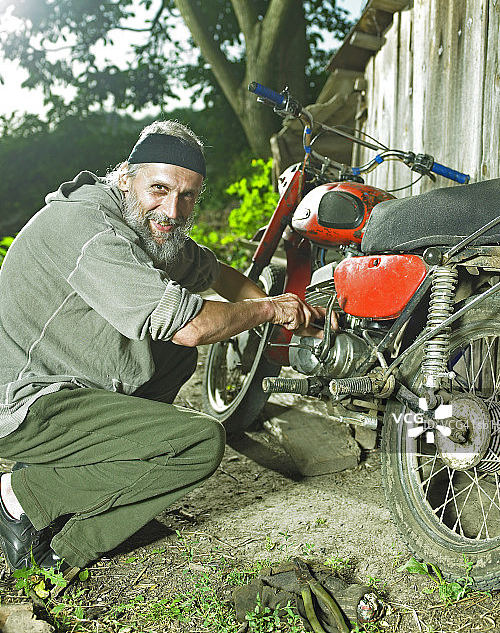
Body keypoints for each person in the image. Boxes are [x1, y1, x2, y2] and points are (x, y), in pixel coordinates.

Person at [0, 120, 325, 580]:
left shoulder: (149, 225)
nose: (173, 208)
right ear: (126, 176)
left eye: (188, 195)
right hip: (22, 401)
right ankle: (24, 503)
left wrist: (299, 317)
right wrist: (272, 310)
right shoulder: (93, 232)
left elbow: (220, 277)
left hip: (68, 381)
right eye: (160, 188)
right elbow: (191, 325)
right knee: (198, 443)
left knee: (171, 358)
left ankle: (95, 477)